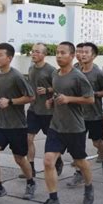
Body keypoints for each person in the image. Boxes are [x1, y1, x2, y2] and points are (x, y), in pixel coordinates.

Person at [38, 42, 95, 204]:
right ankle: (53, 198)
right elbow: (57, 95)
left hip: (74, 128)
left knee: (80, 162)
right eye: (57, 52)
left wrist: (70, 99)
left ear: (71, 56)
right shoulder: (55, 74)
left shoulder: (78, 77)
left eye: (63, 53)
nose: (59, 55)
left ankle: (89, 186)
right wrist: (51, 101)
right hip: (56, 126)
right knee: (48, 161)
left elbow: (90, 99)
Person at [0, 43, 36, 204]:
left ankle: (31, 182)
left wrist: (11, 101)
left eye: (0, 55)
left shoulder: (17, 76)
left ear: (9, 58)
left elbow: (31, 97)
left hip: (17, 125)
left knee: (20, 159)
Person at [67, 42, 103, 187]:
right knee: (77, 145)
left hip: (94, 114)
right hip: (77, 115)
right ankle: (79, 173)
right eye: (80, 51)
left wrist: (94, 94)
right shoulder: (75, 69)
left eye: (86, 52)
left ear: (93, 56)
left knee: (97, 142)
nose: (82, 54)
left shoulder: (98, 73)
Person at [22, 43, 62, 179]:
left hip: (48, 112)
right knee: (28, 139)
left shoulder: (51, 70)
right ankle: (31, 168)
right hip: (33, 110)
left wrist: (47, 90)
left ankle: (58, 160)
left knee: (51, 140)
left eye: (37, 52)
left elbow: (59, 88)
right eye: (33, 52)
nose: (34, 54)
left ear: (44, 55)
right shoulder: (31, 68)